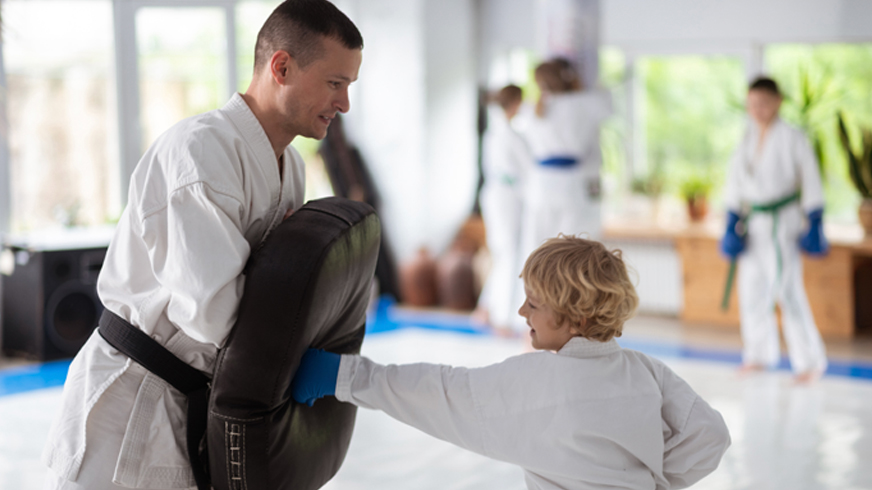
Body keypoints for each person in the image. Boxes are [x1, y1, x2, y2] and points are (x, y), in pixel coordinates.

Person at [42, 1, 362, 488]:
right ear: (281, 68)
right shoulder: (201, 153)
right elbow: (216, 315)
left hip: (193, 403)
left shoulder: (291, 168)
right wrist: (301, 338)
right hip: (131, 407)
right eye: (335, 83)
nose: (344, 103)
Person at [291, 235, 731, 490]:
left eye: (533, 304)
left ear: (576, 317)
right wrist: (654, 481)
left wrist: (344, 376)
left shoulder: (537, 381)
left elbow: (439, 393)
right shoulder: (645, 370)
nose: (522, 313)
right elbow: (711, 435)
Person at [720, 76, 829, 384]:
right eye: (753, 104)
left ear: (778, 101)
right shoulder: (746, 138)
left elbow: (811, 179)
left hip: (782, 223)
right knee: (751, 290)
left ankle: (810, 362)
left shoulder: (793, 137)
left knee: (788, 290)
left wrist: (815, 218)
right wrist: (730, 221)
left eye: (764, 103)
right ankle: (758, 355)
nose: (758, 109)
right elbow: (735, 183)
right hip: (753, 223)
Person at [475, 84, 530, 336]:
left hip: (496, 195)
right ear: (516, 103)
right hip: (506, 197)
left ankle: (486, 308)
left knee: (501, 253)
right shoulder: (510, 135)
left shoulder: (494, 132)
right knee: (508, 254)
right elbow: (528, 168)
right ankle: (502, 318)